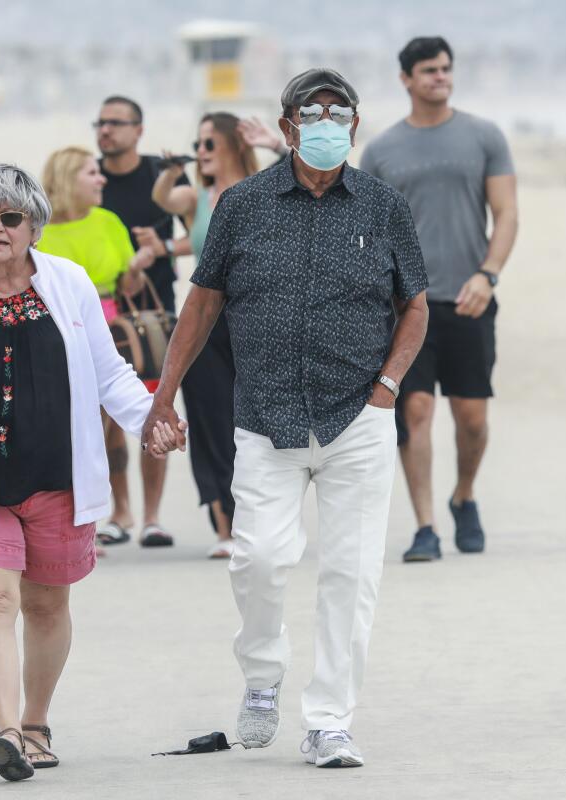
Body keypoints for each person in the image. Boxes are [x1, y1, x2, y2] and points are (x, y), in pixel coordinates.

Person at [145, 68, 429, 767]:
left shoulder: (384, 207)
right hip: (265, 414)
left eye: (340, 111)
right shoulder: (243, 205)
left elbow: (415, 303)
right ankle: (263, 677)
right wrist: (164, 394)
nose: (327, 122)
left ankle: (330, 720)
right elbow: (204, 300)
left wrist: (389, 385)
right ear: (289, 124)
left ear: (355, 126)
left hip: (357, 415)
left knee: (351, 575)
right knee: (260, 558)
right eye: (313, 111)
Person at [0, 164, 158, 780]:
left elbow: (108, 370)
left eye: (10, 217)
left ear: (33, 226)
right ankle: (7, 731)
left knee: (46, 606)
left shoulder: (67, 283)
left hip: (57, 472)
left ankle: (37, 721)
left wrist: (153, 419)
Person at [359, 36, 518, 560]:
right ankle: (425, 527)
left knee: (472, 419)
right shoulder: (381, 150)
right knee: (417, 412)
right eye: (428, 70)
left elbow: (507, 213)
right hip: (405, 308)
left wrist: (488, 275)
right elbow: (366, 229)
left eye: (446, 68)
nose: (439, 77)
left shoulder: (483, 135)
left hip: (470, 299)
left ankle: (463, 495)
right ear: (406, 78)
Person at [35, 147, 168, 548]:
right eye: (91, 173)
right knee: (93, 429)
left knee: (148, 414)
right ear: (67, 178)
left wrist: (138, 265)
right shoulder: (39, 231)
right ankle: (116, 512)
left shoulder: (108, 221)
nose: (102, 180)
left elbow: (128, 287)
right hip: (63, 338)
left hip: (119, 332)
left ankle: (152, 518)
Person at [151, 112, 263, 559]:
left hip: (255, 320)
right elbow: (163, 198)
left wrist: (273, 144)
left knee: (253, 427)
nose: (201, 153)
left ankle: (256, 521)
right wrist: (173, 171)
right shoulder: (197, 197)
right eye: (197, 144)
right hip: (204, 323)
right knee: (211, 423)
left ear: (235, 145)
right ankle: (224, 527)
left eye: (209, 144)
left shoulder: (264, 190)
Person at [91, 96, 185, 546]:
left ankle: (152, 516)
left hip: (154, 316)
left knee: (156, 410)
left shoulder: (159, 176)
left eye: (115, 123)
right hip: (104, 314)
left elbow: (196, 226)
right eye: (101, 123)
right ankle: (120, 511)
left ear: (139, 129)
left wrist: (156, 250)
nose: (105, 131)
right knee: (108, 417)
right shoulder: (91, 178)